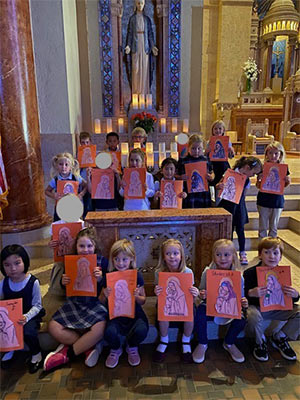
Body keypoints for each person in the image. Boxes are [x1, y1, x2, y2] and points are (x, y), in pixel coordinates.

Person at [43, 227, 108, 371]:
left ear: (95, 246)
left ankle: (67, 354)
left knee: (100, 328)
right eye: (81, 246)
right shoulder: (70, 262)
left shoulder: (102, 262)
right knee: (53, 327)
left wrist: (101, 279)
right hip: (75, 303)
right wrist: (63, 281)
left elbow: (108, 287)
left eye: (89, 246)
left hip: (94, 303)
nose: (86, 250)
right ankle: (87, 348)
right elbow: (67, 286)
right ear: (76, 247)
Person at [244, 237, 299, 362]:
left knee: (299, 312)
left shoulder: (283, 273)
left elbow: (290, 299)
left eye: (275, 253)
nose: (271, 256)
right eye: (267, 252)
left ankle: (280, 337)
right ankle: (260, 342)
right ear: (259, 255)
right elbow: (242, 297)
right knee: (252, 315)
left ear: (280, 257)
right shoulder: (250, 273)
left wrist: (295, 294)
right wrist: (251, 293)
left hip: (278, 307)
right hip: (258, 308)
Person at [193, 239, 248, 364]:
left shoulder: (238, 276)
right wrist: (202, 295)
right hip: (211, 306)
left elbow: (241, 299)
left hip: (230, 308)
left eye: (226, 255)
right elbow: (201, 291)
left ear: (233, 256)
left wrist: (244, 303)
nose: (222, 258)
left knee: (242, 319)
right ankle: (202, 342)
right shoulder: (207, 272)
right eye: (218, 255)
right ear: (213, 256)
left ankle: (229, 342)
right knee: (199, 313)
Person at [100, 239, 149, 368]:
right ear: (112, 260)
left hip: (135, 314)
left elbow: (143, 300)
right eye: (117, 259)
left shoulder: (136, 276)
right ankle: (115, 348)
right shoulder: (109, 276)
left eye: (124, 259)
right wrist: (104, 294)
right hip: (115, 315)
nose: (120, 263)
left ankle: (132, 346)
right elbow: (101, 301)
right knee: (109, 333)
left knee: (142, 330)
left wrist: (137, 296)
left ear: (132, 259)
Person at [0, 245, 45, 373]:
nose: (13, 268)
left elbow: (37, 305)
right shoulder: (4, 283)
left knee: (28, 330)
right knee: (6, 327)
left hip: (30, 314)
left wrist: (26, 317)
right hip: (11, 316)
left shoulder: (32, 282)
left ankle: (36, 353)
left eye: (17, 263)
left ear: (25, 261)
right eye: (7, 265)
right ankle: (10, 349)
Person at [153, 239, 199, 363]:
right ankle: (164, 339)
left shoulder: (188, 272)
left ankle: (186, 339)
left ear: (181, 255)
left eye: (175, 253)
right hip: (167, 302)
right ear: (163, 257)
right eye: (168, 254)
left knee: (191, 311)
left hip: (182, 302)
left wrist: (195, 293)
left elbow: (191, 296)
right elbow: (159, 294)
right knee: (162, 309)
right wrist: (157, 292)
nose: (172, 257)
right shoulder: (159, 273)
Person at [217, 156, 262, 265]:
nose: (253, 176)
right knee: (229, 229)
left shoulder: (247, 180)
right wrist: (220, 186)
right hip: (227, 205)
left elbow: (244, 195)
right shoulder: (229, 173)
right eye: (253, 173)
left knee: (240, 230)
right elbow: (218, 185)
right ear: (247, 167)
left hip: (239, 206)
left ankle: (242, 252)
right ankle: (229, 252)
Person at [256, 142, 290, 239]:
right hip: (264, 199)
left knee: (274, 227)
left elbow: (283, 186)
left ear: (280, 154)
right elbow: (258, 185)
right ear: (266, 154)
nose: (273, 156)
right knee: (262, 227)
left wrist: (287, 181)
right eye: (270, 153)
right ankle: (262, 249)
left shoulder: (284, 168)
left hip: (277, 200)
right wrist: (259, 180)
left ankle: (272, 249)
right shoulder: (263, 167)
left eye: (276, 153)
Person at [125, 0, 158, 96]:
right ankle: (136, 93)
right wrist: (128, 45)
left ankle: (144, 93)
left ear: (144, 4)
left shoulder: (147, 19)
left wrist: (153, 46)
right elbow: (130, 33)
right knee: (136, 69)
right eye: (138, 3)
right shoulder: (132, 19)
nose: (140, 5)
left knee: (145, 69)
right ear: (136, 4)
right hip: (136, 46)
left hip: (145, 46)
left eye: (142, 3)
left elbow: (150, 34)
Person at [45, 152, 87, 222]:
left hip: (74, 207)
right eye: (61, 164)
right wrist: (54, 195)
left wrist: (81, 194)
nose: (63, 167)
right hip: (60, 208)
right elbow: (46, 191)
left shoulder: (76, 178)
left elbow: (85, 186)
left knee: (74, 225)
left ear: (71, 167)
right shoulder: (55, 180)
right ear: (56, 166)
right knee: (60, 225)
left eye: (66, 165)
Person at [178, 134, 214, 208]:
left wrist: (211, 177)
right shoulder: (183, 160)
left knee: (204, 213)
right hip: (189, 193)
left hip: (203, 193)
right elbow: (176, 175)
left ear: (203, 148)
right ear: (188, 148)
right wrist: (180, 177)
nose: (196, 151)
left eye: (199, 148)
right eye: (193, 148)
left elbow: (212, 172)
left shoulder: (205, 159)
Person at [205, 120, 235, 205]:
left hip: (223, 166)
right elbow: (206, 156)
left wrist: (231, 151)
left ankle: (223, 203)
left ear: (223, 130)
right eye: (215, 129)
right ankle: (215, 203)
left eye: (220, 128)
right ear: (212, 130)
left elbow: (231, 156)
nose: (217, 130)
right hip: (213, 167)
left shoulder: (227, 141)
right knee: (214, 185)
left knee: (223, 186)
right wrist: (207, 151)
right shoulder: (209, 142)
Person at [79, 132, 93, 218]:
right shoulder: (78, 155)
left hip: (91, 183)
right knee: (83, 205)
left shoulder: (93, 154)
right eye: (83, 142)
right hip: (81, 184)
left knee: (90, 205)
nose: (85, 144)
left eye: (87, 142)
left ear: (90, 142)